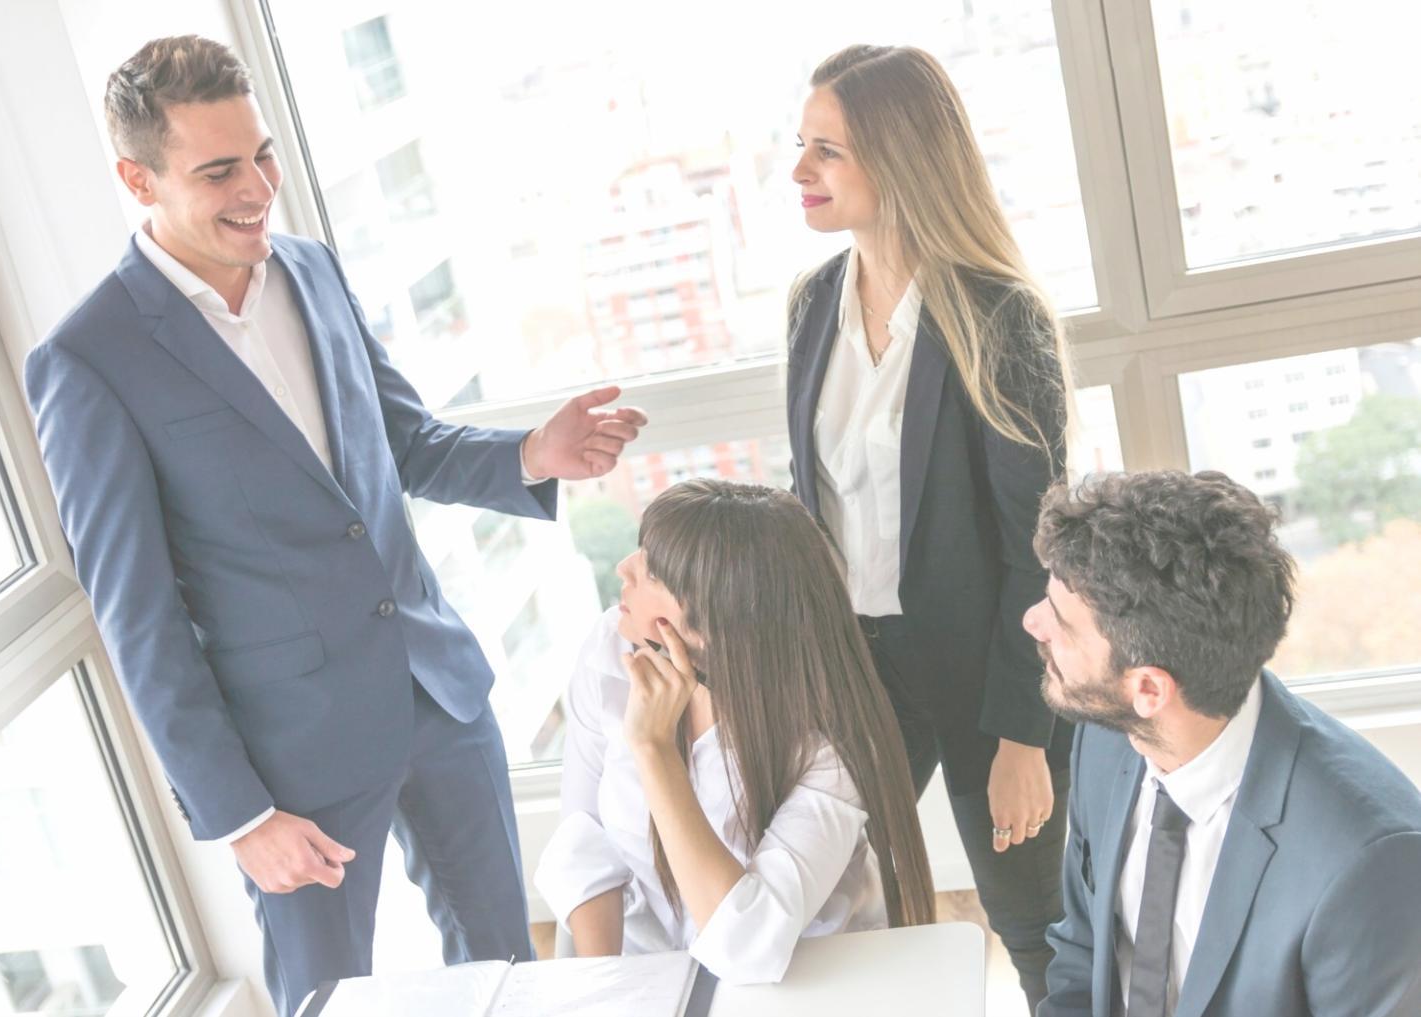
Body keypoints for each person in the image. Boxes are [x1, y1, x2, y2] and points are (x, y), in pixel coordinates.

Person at [23, 36, 647, 1016]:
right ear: (135, 179)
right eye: (219, 170)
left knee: (506, 975)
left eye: (262, 155)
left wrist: (532, 456)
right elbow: (137, 622)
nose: (258, 187)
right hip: (290, 769)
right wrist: (239, 815)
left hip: (437, 695)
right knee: (320, 999)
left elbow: (404, 442)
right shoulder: (89, 359)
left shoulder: (309, 270)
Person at [784, 44, 1074, 1010]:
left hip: (986, 666)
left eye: (825, 151)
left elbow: (1039, 544)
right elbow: (813, 498)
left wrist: (1021, 736)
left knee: (1031, 921)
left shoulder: (997, 317)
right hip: (857, 668)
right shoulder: (811, 304)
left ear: (898, 156)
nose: (798, 173)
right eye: (800, 147)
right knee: (818, 898)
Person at [1028, 471, 1421, 1017]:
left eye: (1060, 623)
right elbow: (1081, 950)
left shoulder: (1371, 862)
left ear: (1148, 688)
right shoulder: (1105, 736)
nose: (1032, 622)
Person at [534, 479, 936, 985]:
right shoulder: (610, 651)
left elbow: (747, 947)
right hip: (653, 976)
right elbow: (585, 838)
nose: (624, 569)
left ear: (715, 624)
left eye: (651, 570)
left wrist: (655, 750)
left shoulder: (830, 747)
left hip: (802, 985)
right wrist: (602, 990)